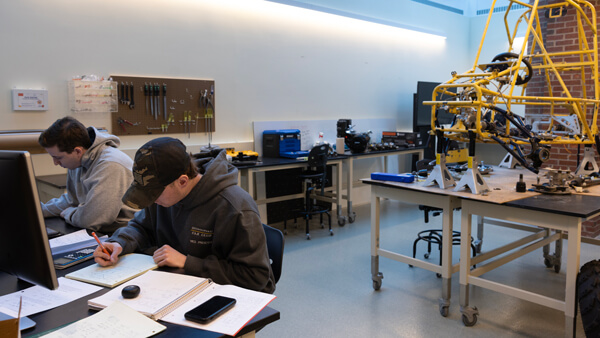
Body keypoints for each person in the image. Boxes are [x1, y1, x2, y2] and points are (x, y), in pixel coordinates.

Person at [93, 137, 275, 294]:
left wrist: (187, 262)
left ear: (182, 181)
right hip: (179, 284)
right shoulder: (164, 197)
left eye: (154, 195)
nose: (152, 201)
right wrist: (119, 243)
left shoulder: (234, 207)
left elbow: (255, 276)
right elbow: (141, 227)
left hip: (227, 295)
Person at [38, 116, 137, 234]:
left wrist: (69, 213)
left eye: (58, 158)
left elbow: (93, 219)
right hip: (101, 231)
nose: (56, 163)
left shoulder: (111, 165)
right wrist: (39, 211)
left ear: (77, 151)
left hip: (125, 235)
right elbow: (71, 201)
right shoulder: (77, 162)